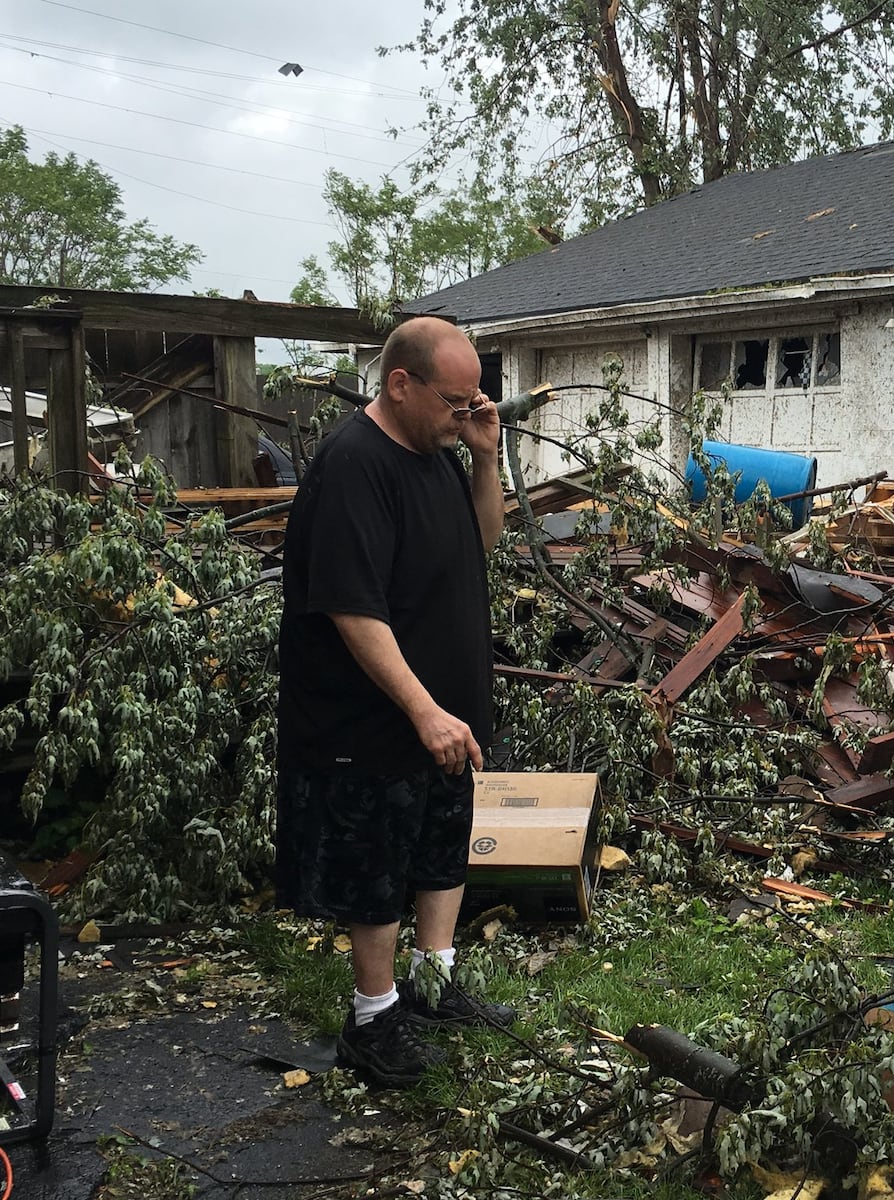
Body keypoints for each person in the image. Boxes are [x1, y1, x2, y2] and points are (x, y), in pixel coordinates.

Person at [275, 316, 510, 1088]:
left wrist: (486, 459)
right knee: (373, 865)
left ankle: (433, 986)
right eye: (455, 401)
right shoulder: (354, 465)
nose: (466, 413)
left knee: (442, 843)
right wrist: (421, 709)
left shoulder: (440, 451)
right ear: (399, 384)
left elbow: (485, 542)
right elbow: (352, 610)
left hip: (446, 705)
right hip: (368, 717)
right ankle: (373, 1018)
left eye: (476, 399)